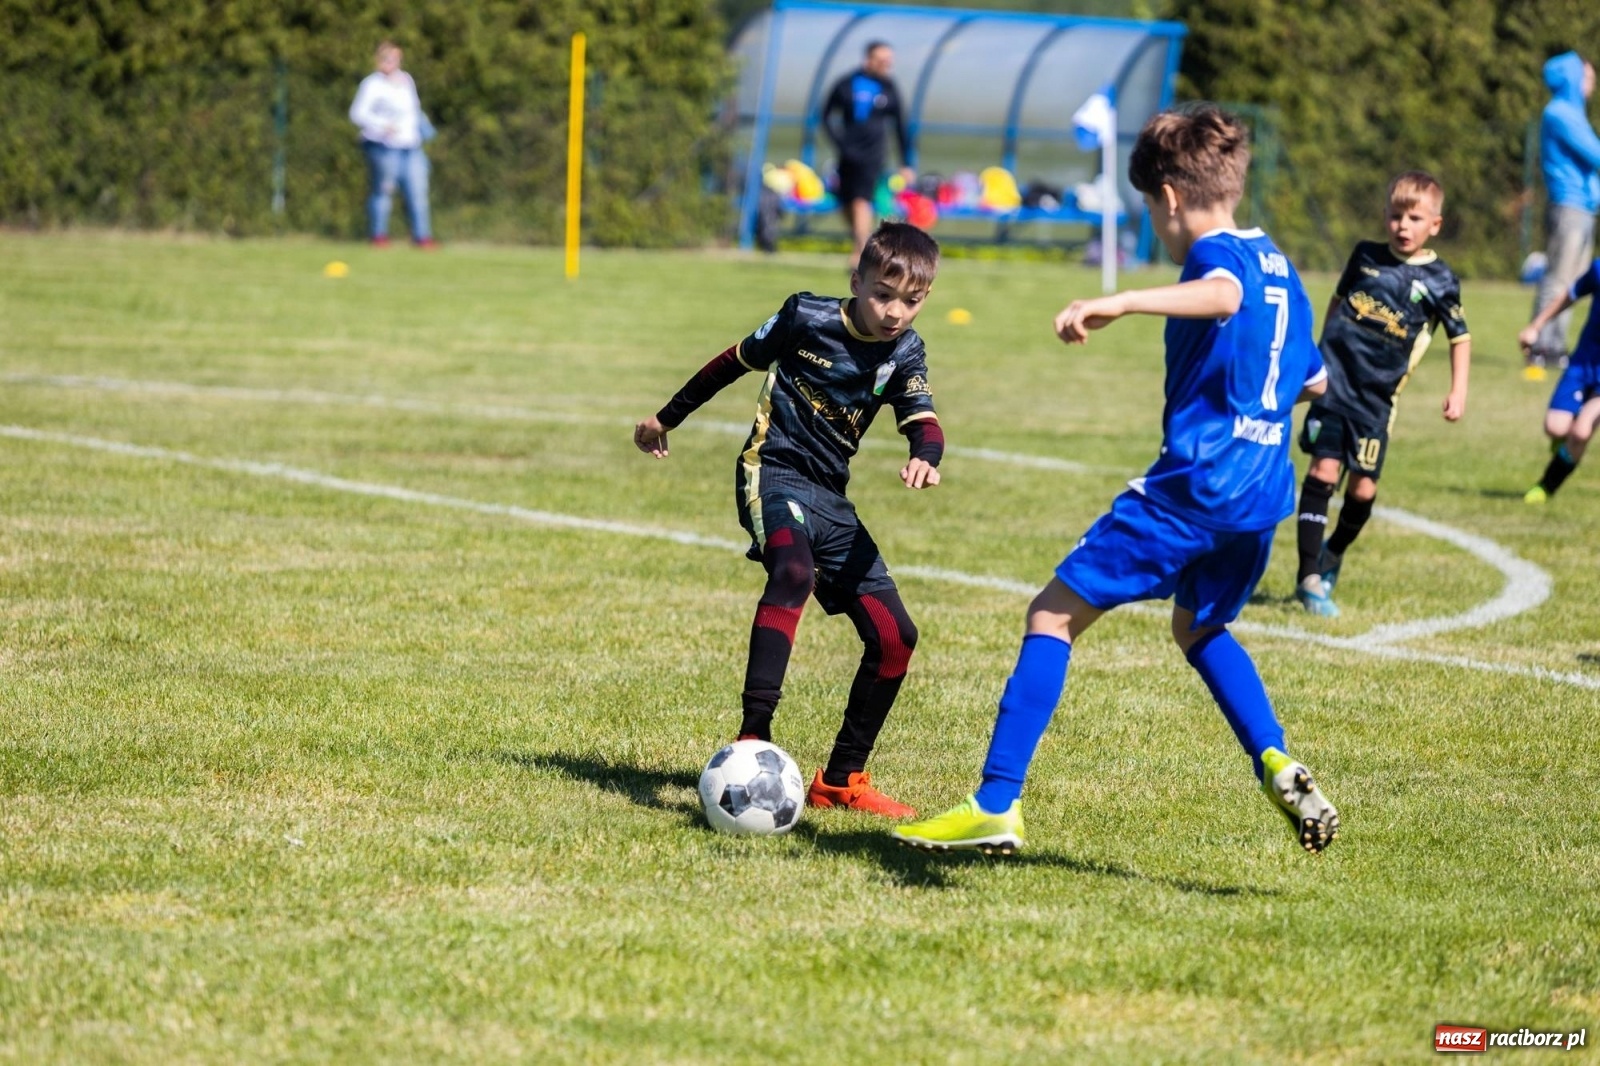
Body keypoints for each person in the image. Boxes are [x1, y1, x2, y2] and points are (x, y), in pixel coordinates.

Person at [891, 105, 1340, 856]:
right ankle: (1274, 759)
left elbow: (1223, 295)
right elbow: (1314, 381)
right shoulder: (1281, 267)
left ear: (1169, 197)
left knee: (1051, 616)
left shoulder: (1216, 259)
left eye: (1152, 213)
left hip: (1197, 486)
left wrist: (1121, 300)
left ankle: (995, 802)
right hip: (1263, 492)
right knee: (1199, 627)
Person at [633, 222, 944, 817]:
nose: (894, 312)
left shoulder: (905, 351)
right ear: (856, 281)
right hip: (772, 473)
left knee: (895, 637)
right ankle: (753, 736)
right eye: (883, 294)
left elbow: (923, 419)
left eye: (911, 300)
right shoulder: (805, 317)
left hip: (832, 500)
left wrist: (925, 456)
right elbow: (731, 362)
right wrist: (665, 418)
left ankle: (843, 779)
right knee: (793, 573)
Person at [1292, 172, 1471, 618]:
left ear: (1435, 224)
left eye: (1414, 218)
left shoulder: (1441, 280)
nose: (1402, 226)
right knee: (1322, 471)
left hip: (1376, 399)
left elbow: (1460, 337)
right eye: (1395, 216)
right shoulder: (1365, 256)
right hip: (1334, 383)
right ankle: (1308, 575)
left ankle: (1333, 552)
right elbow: (1338, 302)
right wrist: (1317, 359)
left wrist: (1458, 390)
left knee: (1363, 490)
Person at [1527, 52, 1600, 376]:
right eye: (1587, 76)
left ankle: (1556, 347)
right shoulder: (1560, 113)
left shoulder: (1573, 112)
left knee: (1573, 281)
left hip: (1584, 206)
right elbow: (1595, 153)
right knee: (1558, 277)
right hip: (1569, 204)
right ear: (1572, 77)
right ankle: (1539, 345)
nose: (1591, 83)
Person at [822, 42, 915, 269]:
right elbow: (826, 115)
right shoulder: (847, 84)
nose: (886, 66)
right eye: (882, 61)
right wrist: (840, 143)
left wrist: (906, 162)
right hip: (848, 155)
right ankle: (864, 242)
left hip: (873, 155)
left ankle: (860, 253)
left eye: (889, 62)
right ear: (869, 60)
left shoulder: (889, 87)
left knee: (860, 200)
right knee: (846, 201)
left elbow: (900, 126)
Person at [1518, 256, 1600, 503]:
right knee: (1555, 427)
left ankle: (1546, 486)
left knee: (1581, 432)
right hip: (1582, 363)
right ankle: (1567, 446)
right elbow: (1569, 295)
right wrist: (1536, 325)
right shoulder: (1598, 270)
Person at [349, 41, 437, 248]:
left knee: (418, 192)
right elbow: (357, 113)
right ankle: (379, 236)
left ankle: (422, 237)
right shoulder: (372, 84)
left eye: (394, 58)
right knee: (383, 191)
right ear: (378, 60)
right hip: (384, 147)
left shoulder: (406, 80)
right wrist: (382, 125)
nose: (390, 62)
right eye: (386, 58)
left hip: (411, 145)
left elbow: (414, 109)